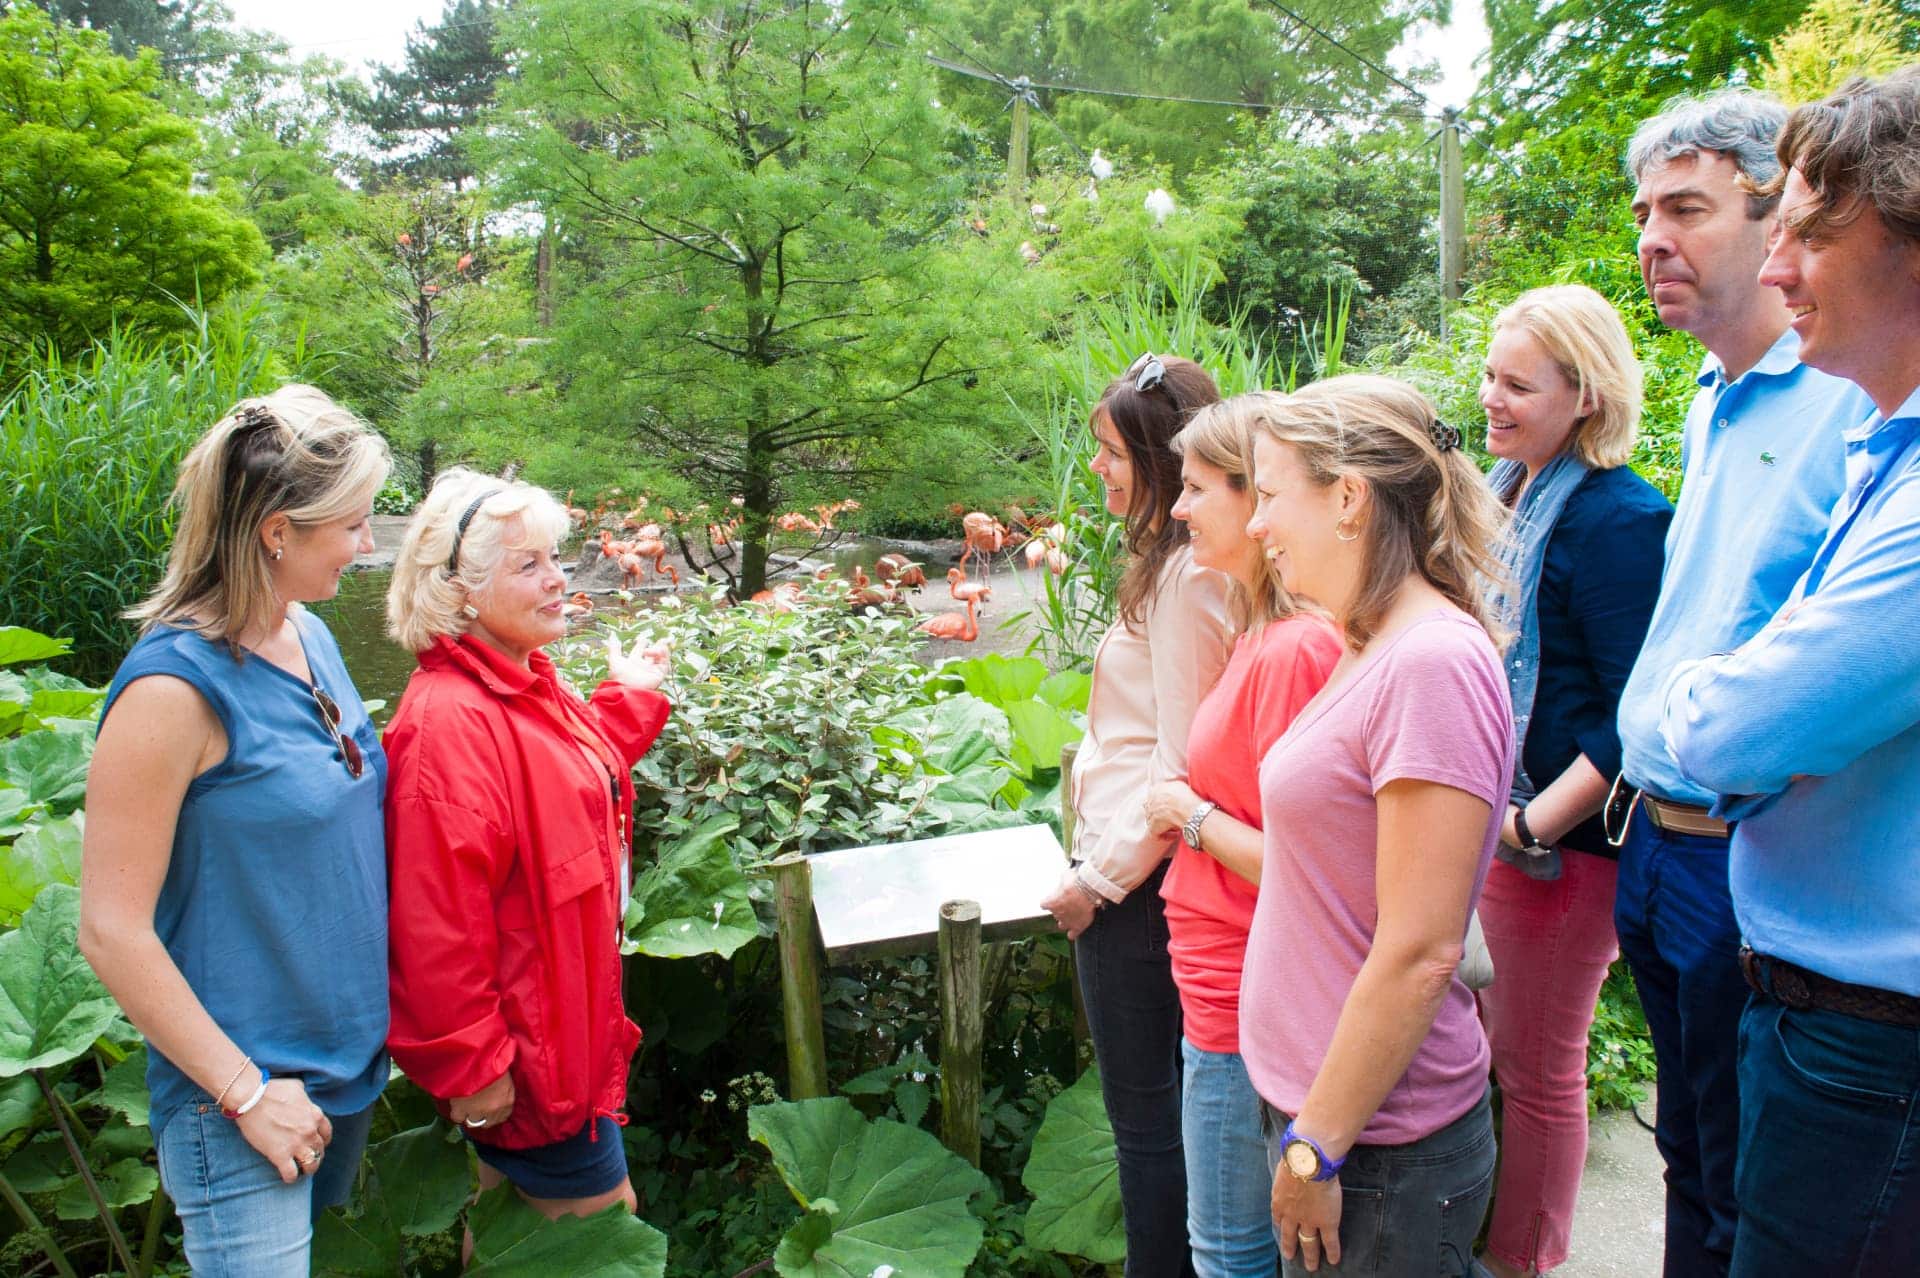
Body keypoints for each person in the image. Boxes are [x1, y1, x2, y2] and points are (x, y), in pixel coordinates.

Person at [1661, 67, 1920, 1277]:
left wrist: (1700, 710)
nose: (1778, 264)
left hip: (1873, 1044)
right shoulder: (1883, 436)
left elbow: (1733, 728)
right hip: (1821, 1008)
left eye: (1811, 227)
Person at [1613, 90, 1874, 1276]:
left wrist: (1697, 730)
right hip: (1656, 846)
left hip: (1747, 850)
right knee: (1688, 1153)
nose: (1652, 239)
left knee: (1748, 1186)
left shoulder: (1850, 397)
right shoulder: (1718, 398)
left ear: (1778, 221)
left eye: (1686, 209)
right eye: (1642, 213)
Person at [79, 386, 392, 1276]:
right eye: (353, 526)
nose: (367, 547)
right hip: (243, 1105)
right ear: (277, 530)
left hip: (343, 1077)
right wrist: (246, 1091)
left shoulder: (310, 635)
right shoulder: (170, 694)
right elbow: (110, 929)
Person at [1239, 375, 1515, 1277]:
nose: (1256, 524)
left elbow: (1422, 949)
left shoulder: (1431, 660)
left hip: (1378, 1153)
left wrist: (1316, 1146)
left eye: (1272, 495)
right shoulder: (1369, 637)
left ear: (1349, 498)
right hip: (1331, 1122)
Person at [383, 470, 671, 1228]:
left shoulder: (519, 680)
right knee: (601, 1234)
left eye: (554, 558)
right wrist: (473, 1068)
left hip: (564, 1039)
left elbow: (560, 787)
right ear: (460, 590)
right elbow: (434, 924)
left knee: (514, 1228)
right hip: (535, 1063)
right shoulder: (448, 725)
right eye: (529, 565)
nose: (559, 579)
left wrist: (631, 695)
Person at [1471, 286, 1672, 1278]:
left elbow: (1638, 707)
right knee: (1482, 1051)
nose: (1492, 400)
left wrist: (1530, 827)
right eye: (1490, 376)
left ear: (1585, 394)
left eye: (1518, 384)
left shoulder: (1620, 520)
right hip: (1491, 825)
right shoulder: (1504, 492)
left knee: (1539, 1068)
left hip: (1561, 849)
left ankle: (1524, 1262)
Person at [1142, 393, 1344, 1278]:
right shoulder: (1263, 632)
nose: (1177, 508)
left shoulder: (1296, 648)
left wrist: (1180, 811)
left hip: (1240, 1003)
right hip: (1218, 987)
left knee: (1229, 1256)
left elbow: (1307, 870)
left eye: (1196, 488)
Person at [1041, 353, 1233, 1277]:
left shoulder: (1189, 578)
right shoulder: (1159, 561)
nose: (1099, 470)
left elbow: (1182, 759)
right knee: (1159, 1118)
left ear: (1163, 459)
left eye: (1114, 453)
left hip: (1143, 887)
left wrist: (1099, 881)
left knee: (1148, 1125)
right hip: (1130, 865)